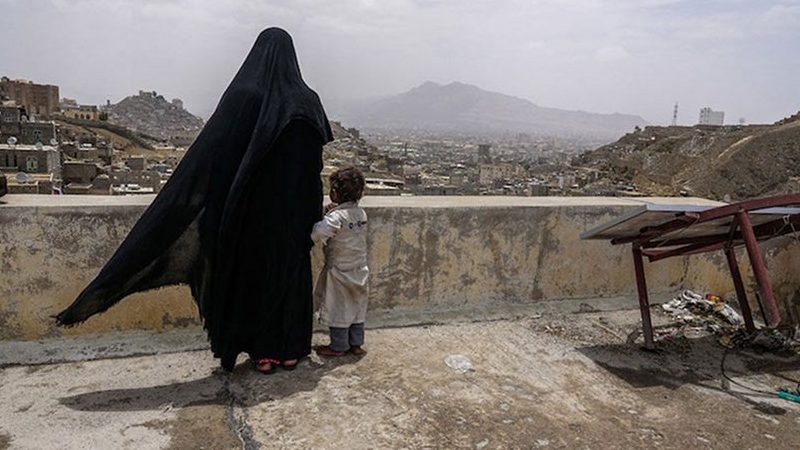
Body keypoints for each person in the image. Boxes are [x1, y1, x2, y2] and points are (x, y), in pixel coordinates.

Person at [55, 28, 333, 374]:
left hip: (251, 213)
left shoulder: (245, 94)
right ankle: (290, 350)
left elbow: (213, 154)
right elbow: (314, 162)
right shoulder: (308, 100)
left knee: (253, 276)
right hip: (296, 213)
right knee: (290, 275)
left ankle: (262, 354)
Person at [311, 166, 370, 356]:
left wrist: (323, 214)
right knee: (356, 307)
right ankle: (356, 344)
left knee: (338, 308)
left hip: (339, 271)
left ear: (334, 193)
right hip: (360, 269)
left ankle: (338, 346)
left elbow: (318, 233)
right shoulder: (361, 214)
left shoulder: (336, 217)